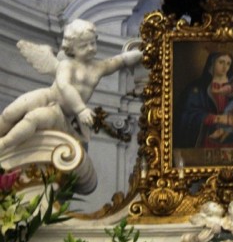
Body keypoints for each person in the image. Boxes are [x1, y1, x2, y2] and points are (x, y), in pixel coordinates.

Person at [0, 19, 142, 150]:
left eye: (93, 43)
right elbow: (64, 86)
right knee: (10, 113)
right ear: (71, 48)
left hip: (61, 113)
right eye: (84, 46)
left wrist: (142, 53)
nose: (90, 48)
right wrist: (81, 109)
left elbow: (120, 60)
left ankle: (3, 144)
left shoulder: (99, 67)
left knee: (33, 118)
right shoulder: (67, 65)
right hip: (47, 96)